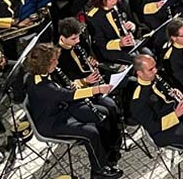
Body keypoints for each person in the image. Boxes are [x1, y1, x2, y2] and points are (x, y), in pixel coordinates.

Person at [24, 43, 122, 178]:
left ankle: (107, 154)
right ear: (44, 64)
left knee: (100, 116)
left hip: (59, 109)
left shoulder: (42, 74)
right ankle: (99, 170)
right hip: (51, 124)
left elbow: (64, 92)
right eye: (54, 60)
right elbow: (67, 95)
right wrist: (97, 89)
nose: (57, 62)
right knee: (90, 133)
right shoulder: (42, 87)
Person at [84, 0, 136, 65]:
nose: (114, 1)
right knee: (138, 61)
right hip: (111, 51)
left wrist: (132, 26)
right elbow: (100, 43)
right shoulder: (93, 17)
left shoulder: (121, 2)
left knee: (149, 55)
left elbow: (131, 20)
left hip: (129, 43)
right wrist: (119, 43)